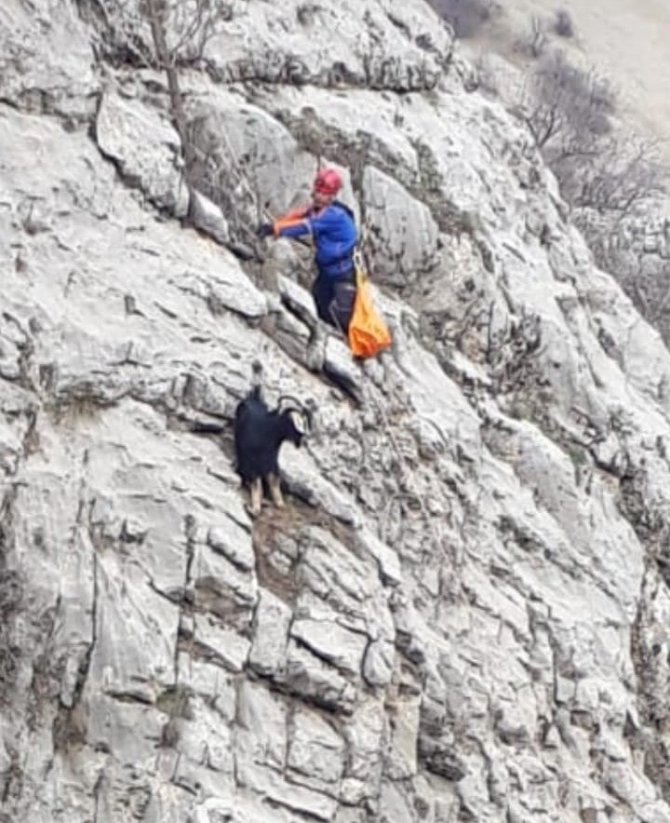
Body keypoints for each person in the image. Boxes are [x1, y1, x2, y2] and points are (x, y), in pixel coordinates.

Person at [258, 168, 358, 334]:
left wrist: (275, 229)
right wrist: (278, 224)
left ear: (332, 196)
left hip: (341, 276)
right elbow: (300, 216)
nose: (317, 196)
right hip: (327, 271)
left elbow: (305, 226)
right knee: (318, 304)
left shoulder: (334, 216)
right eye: (317, 191)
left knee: (338, 318)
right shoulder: (320, 209)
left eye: (323, 193)